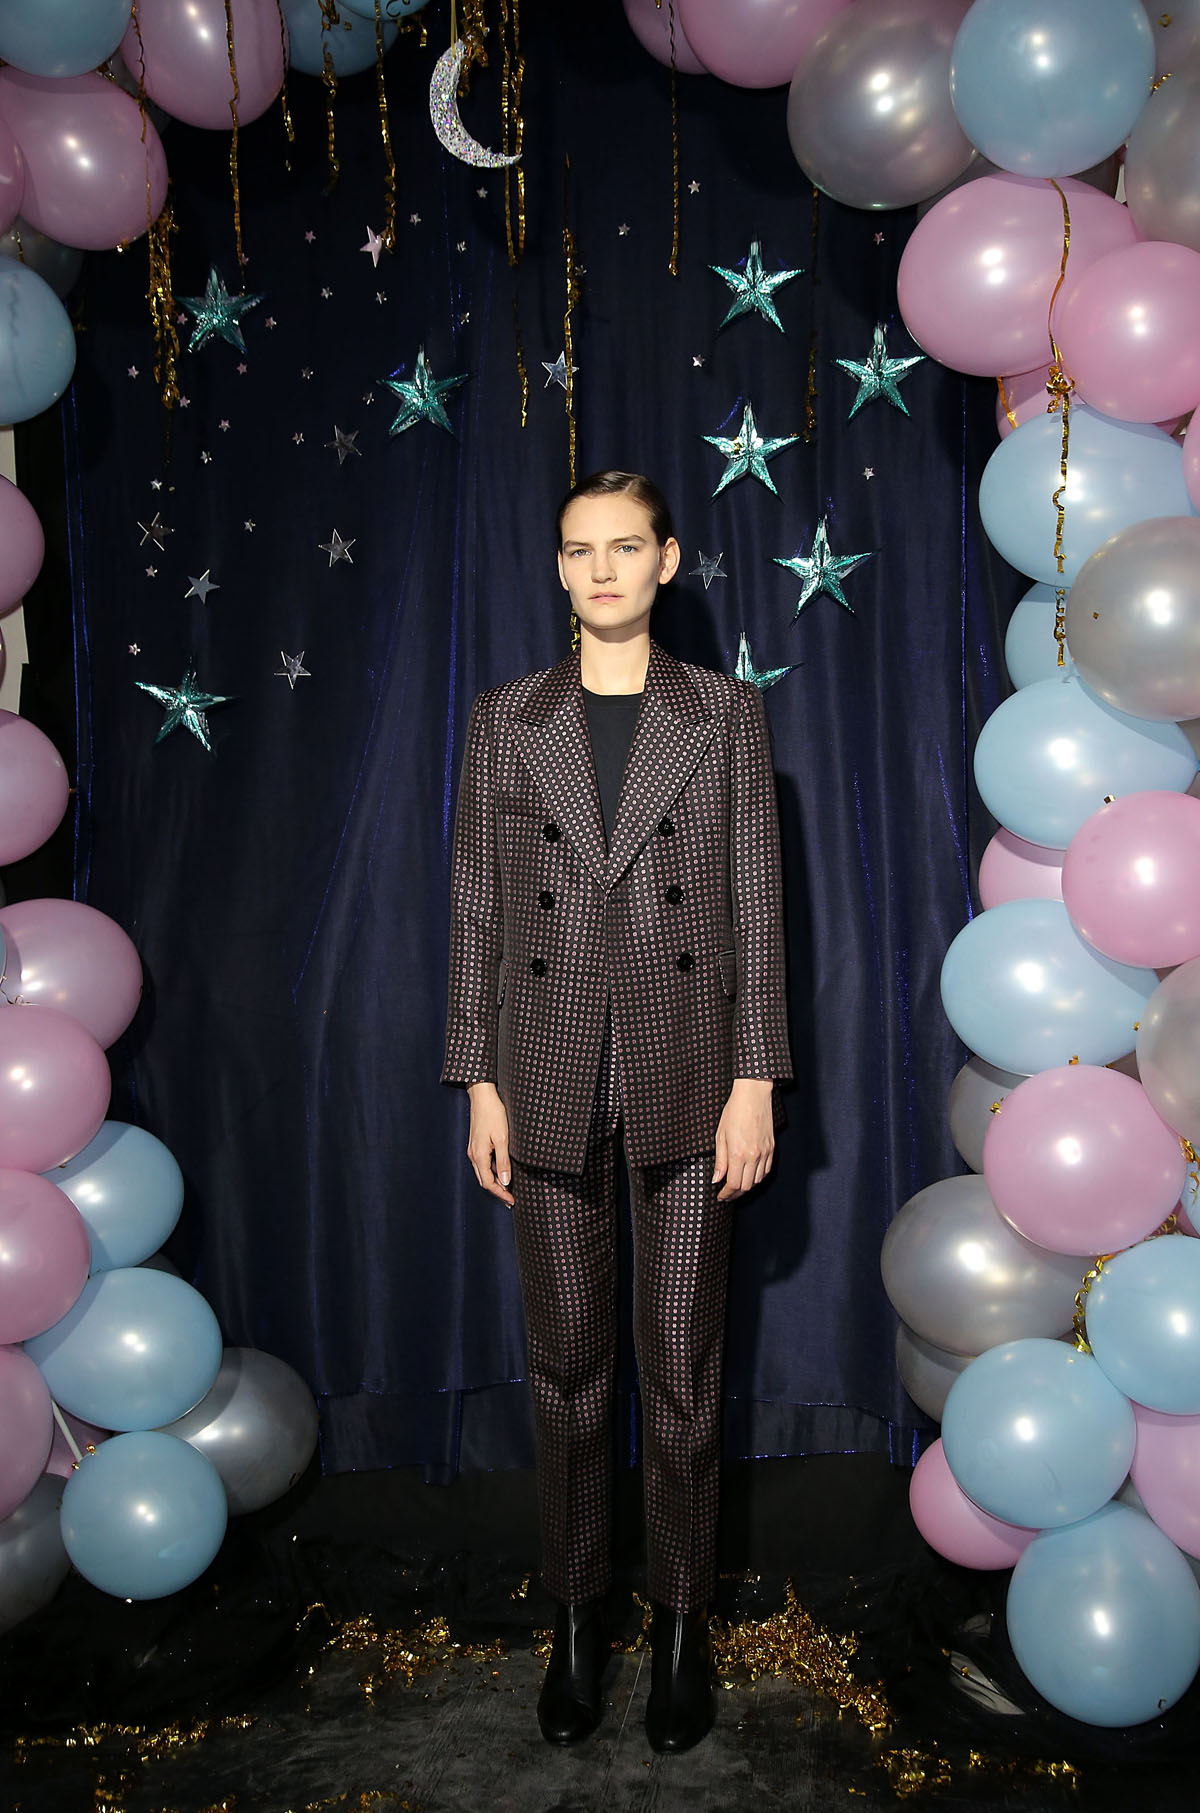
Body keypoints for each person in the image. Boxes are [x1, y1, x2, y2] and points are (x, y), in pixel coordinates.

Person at [442, 469, 792, 1753]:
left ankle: (684, 1628)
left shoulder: (725, 716)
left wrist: (756, 1077)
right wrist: (476, 1075)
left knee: (685, 1378)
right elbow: (478, 906)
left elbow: (759, 902)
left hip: (693, 1075)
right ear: (558, 569)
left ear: (666, 561)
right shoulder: (502, 720)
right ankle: (580, 1618)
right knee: (571, 1374)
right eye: (580, 549)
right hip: (539, 1079)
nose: (602, 569)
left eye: (625, 547)